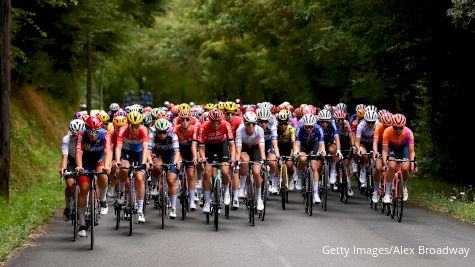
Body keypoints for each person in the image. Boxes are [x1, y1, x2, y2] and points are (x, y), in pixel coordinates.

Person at [75, 116, 112, 238]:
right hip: (86, 161)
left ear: (99, 130)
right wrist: (79, 166)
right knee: (84, 188)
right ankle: (81, 224)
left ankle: (102, 200)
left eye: (95, 132)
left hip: (100, 158)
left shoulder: (105, 134)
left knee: (102, 174)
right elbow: (79, 152)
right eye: (90, 132)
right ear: (86, 130)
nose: (92, 135)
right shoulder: (81, 134)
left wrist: (107, 166)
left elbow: (107, 151)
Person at [196, 108, 236, 213]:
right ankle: (207, 202)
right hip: (208, 147)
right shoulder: (203, 126)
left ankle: (226, 191)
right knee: (207, 173)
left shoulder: (226, 124)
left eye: (218, 122)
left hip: (222, 146)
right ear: (210, 120)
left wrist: (232, 158)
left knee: (224, 171)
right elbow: (201, 147)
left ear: (221, 120)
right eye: (213, 122)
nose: (216, 124)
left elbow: (231, 144)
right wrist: (203, 158)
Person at [114, 111, 149, 223]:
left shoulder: (144, 130)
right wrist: (118, 160)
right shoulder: (123, 130)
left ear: (140, 124)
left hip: (139, 153)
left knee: (139, 178)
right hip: (126, 152)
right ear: (128, 124)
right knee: (124, 169)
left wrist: (144, 161)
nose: (134, 129)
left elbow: (145, 148)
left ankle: (140, 210)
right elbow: (118, 147)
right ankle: (121, 191)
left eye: (136, 126)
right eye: (132, 126)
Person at [149, 118, 181, 219]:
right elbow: (148, 151)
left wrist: (176, 162)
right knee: (157, 167)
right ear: (156, 131)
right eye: (160, 133)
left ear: (168, 131)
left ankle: (173, 208)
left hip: (170, 154)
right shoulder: (152, 135)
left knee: (171, 180)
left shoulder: (173, 135)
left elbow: (176, 152)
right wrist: (149, 161)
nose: (162, 135)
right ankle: (154, 184)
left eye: (164, 133)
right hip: (157, 154)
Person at [235, 111, 266, 211]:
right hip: (244, 147)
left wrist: (263, 158)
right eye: (248, 123)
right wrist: (237, 160)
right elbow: (238, 147)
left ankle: (259, 198)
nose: (251, 126)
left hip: (255, 148)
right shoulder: (240, 130)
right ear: (244, 123)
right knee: (244, 161)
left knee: (256, 172)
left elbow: (261, 146)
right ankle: (242, 187)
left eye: (253, 123)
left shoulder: (260, 130)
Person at [382, 114, 416, 203]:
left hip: (403, 148)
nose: (398, 130)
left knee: (405, 168)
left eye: (400, 128)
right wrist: (385, 162)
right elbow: (385, 151)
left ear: (403, 126)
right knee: (392, 166)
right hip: (392, 148)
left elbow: (412, 151)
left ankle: (404, 187)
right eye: (395, 128)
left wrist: (413, 164)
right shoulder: (387, 131)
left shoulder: (409, 132)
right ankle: (387, 193)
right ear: (392, 126)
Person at [59, 119, 85, 221]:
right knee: (70, 184)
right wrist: (63, 168)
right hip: (72, 160)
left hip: (84, 160)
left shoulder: (86, 138)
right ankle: (68, 206)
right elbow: (65, 156)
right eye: (74, 135)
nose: (76, 137)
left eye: (78, 135)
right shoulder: (66, 139)